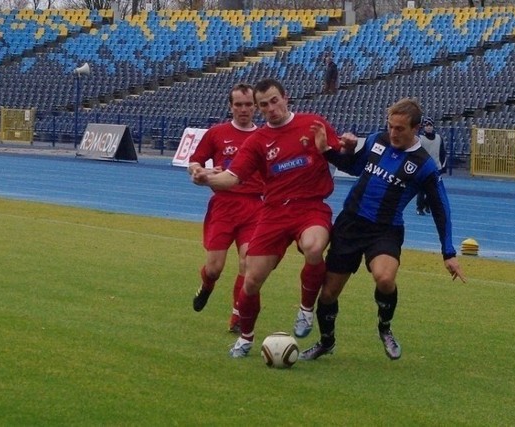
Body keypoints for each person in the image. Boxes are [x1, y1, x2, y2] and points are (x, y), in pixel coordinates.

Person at [196, 78, 353, 358]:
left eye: (274, 100)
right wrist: (205, 178)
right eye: (264, 104)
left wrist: (347, 147)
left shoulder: (313, 123)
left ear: (285, 98)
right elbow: (233, 177)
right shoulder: (257, 141)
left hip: (310, 207)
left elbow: (341, 156)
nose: (270, 108)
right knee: (252, 281)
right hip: (273, 212)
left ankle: (306, 309)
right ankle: (245, 338)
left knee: (315, 247)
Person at [300, 98, 466, 361]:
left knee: (385, 278)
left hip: (385, 231)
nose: (393, 133)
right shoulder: (378, 140)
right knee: (329, 292)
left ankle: (384, 328)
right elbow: (354, 167)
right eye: (390, 126)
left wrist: (448, 252)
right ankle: (326, 341)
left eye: (400, 128)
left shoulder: (424, 166)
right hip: (351, 224)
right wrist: (328, 152)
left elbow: (440, 208)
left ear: (417, 128)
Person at [188, 83, 263, 333]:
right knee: (215, 268)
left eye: (248, 105)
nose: (243, 109)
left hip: (254, 207)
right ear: (230, 106)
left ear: (255, 107)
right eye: (238, 105)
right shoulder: (217, 133)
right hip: (223, 206)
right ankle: (207, 285)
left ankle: (238, 316)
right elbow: (195, 162)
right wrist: (201, 171)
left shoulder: (263, 137)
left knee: (248, 263)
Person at [415, 116, 446, 216]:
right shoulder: (420, 138)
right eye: (426, 125)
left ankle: (427, 204)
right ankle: (420, 208)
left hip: (436, 167)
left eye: (430, 125)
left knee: (434, 190)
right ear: (423, 127)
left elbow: (442, 153)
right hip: (423, 168)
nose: (428, 127)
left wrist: (442, 166)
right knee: (422, 190)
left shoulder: (438, 138)